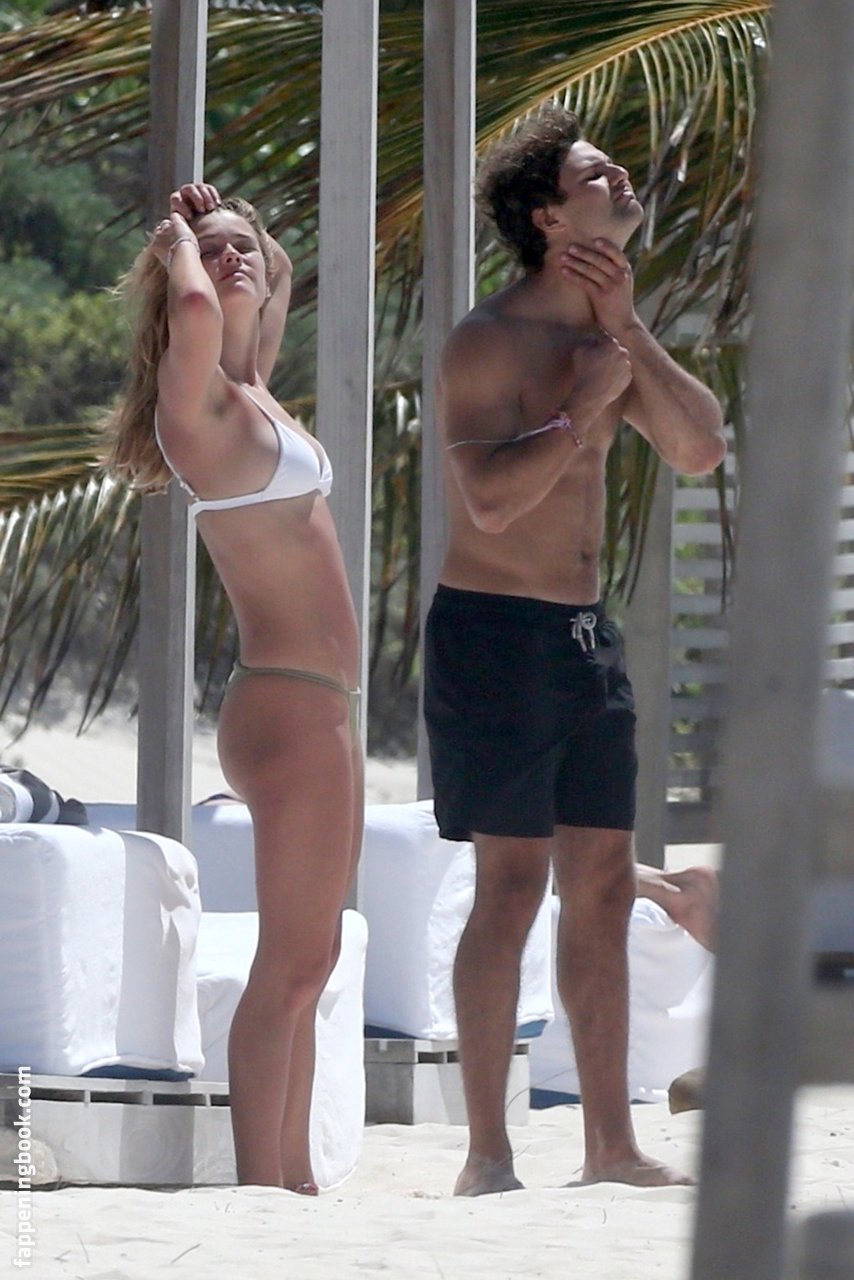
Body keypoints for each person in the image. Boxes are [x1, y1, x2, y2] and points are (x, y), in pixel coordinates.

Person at [423, 104, 726, 1196]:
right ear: (549, 216)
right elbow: (489, 503)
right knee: (510, 888)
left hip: (585, 639)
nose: (624, 178)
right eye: (599, 173)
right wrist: (577, 409)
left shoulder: (610, 337)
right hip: (493, 636)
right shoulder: (488, 339)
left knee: (598, 886)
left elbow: (698, 447)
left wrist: (627, 331)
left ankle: (609, 1146)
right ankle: (486, 1153)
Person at [103, 182, 363, 1193]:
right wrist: (180, 240)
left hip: (320, 707)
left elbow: (274, 274)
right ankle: (263, 1185)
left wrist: (234, 224)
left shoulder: (251, 385)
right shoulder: (199, 402)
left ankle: (293, 1177)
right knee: (288, 966)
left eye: (240, 246)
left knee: (312, 960)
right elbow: (197, 305)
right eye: (212, 254)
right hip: (289, 706)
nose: (234, 259)